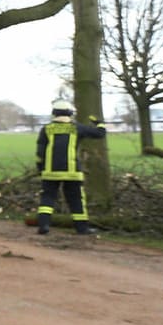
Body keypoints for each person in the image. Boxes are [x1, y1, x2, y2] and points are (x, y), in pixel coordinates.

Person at [36, 100, 106, 235]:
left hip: (50, 172)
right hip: (72, 172)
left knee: (47, 198)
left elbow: (40, 152)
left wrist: (40, 168)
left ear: (54, 113)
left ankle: (43, 226)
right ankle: (82, 228)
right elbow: (100, 133)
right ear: (70, 113)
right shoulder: (77, 128)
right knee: (76, 200)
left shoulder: (46, 129)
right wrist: (99, 122)